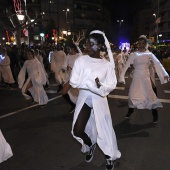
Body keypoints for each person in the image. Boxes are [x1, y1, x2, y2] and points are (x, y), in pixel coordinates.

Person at [69, 30, 121, 170]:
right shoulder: (81, 60)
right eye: (86, 43)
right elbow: (73, 82)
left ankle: (109, 156)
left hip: (99, 99)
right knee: (77, 130)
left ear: (99, 45)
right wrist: (91, 85)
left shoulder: (107, 65)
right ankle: (90, 144)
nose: (86, 46)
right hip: (84, 97)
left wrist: (99, 86)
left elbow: (110, 85)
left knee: (105, 130)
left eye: (90, 44)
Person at [119, 35, 169, 124]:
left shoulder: (149, 54)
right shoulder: (134, 54)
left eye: (143, 43)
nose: (141, 45)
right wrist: (121, 77)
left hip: (146, 77)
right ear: (137, 44)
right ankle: (130, 111)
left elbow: (158, 64)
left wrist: (164, 74)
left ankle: (155, 115)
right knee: (132, 95)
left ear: (145, 44)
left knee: (150, 96)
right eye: (139, 43)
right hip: (137, 77)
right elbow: (126, 66)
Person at [61, 43, 82, 113]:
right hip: (70, 77)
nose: (67, 50)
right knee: (64, 92)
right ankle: (73, 105)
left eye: (68, 49)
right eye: (67, 49)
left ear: (73, 49)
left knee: (80, 94)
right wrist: (66, 67)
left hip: (78, 78)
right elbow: (64, 66)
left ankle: (82, 107)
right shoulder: (68, 56)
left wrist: (74, 68)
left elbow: (83, 66)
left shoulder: (79, 56)